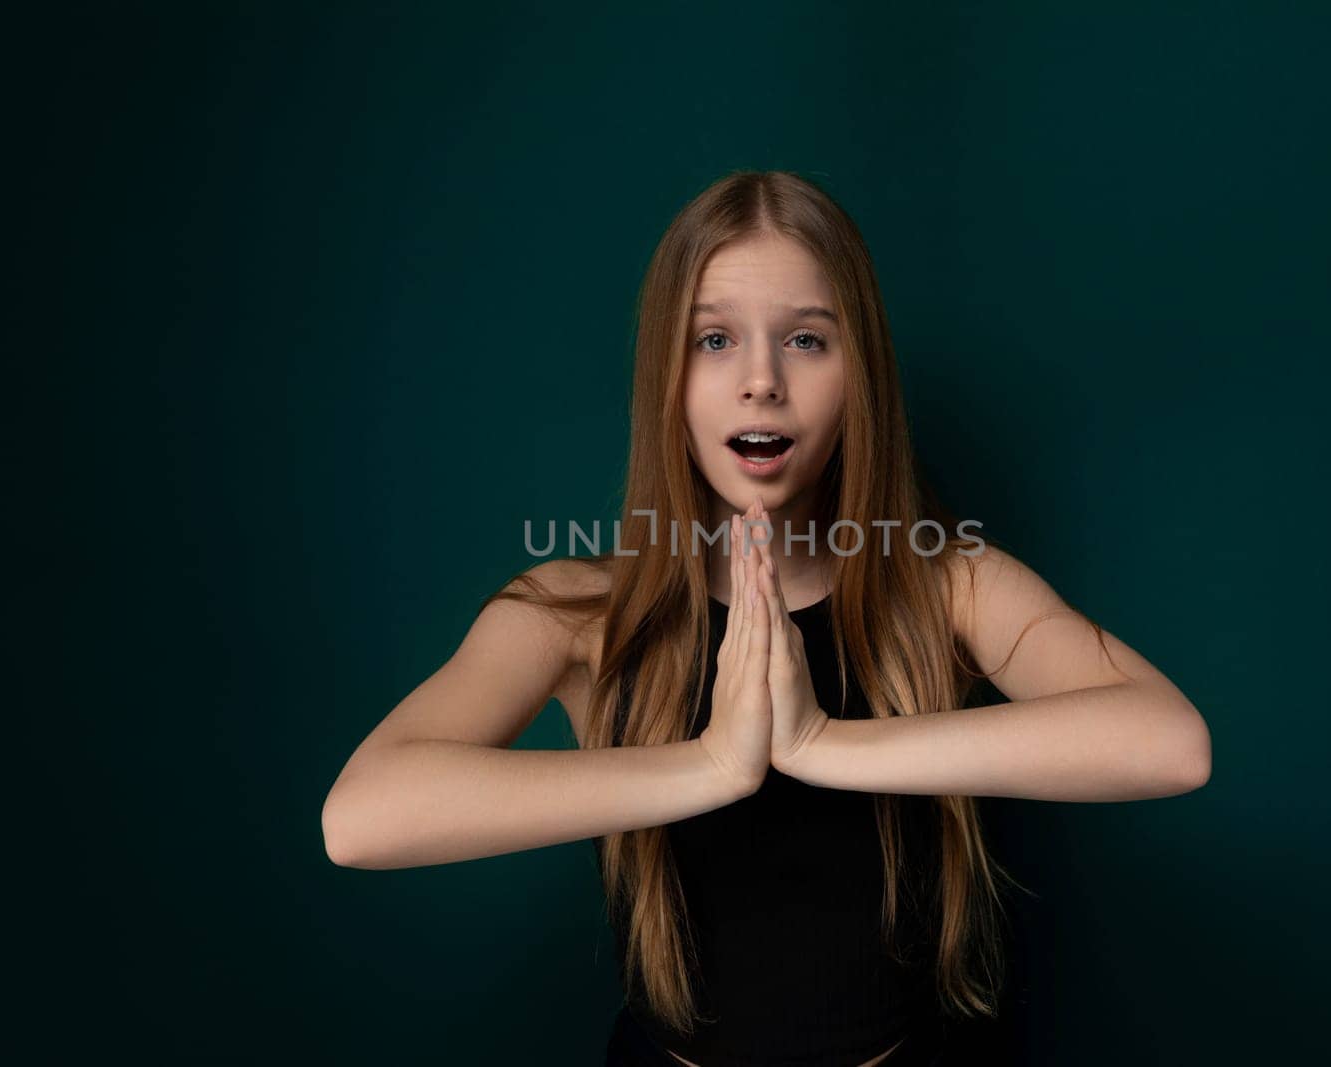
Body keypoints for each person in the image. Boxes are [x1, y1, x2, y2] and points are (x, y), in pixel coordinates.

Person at [321, 170, 1212, 1066]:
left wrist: (821, 742)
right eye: (714, 338)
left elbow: (1170, 743)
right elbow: (360, 818)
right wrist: (710, 763)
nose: (761, 382)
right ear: (665, 374)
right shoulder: (576, 611)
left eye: (806, 340)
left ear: (858, 370)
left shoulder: (952, 582)